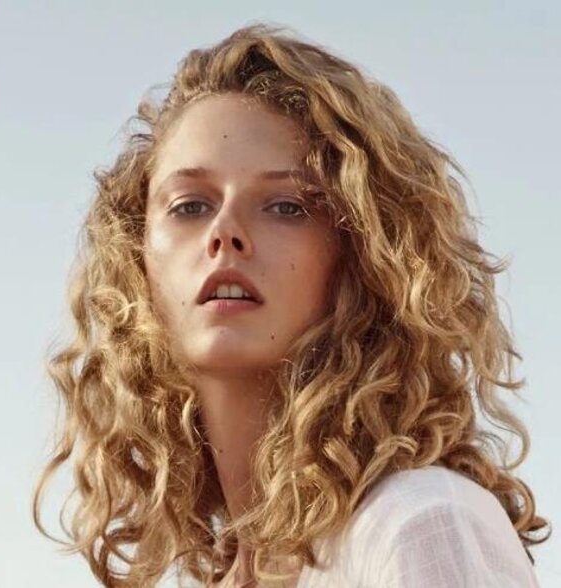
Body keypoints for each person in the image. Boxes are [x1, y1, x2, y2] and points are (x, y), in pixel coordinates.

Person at [33, 23, 551, 588]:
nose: (225, 233)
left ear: (364, 255)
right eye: (189, 206)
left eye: (286, 206)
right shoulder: (228, 574)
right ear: (136, 257)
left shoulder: (420, 525)